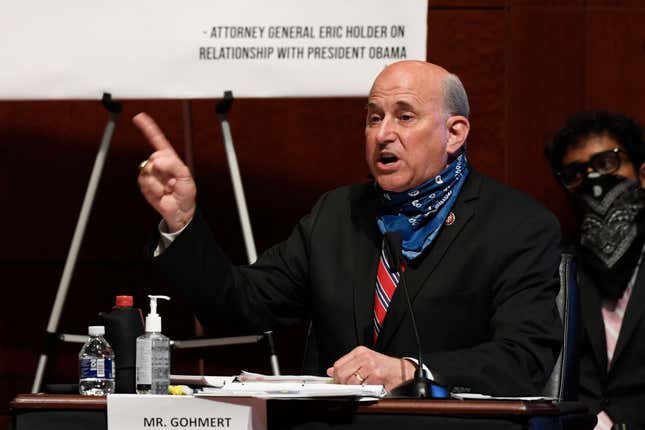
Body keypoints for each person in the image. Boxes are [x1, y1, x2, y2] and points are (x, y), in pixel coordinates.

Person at [135, 60, 562, 395]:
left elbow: (523, 358)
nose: (383, 134)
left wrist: (409, 371)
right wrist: (181, 222)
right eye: (374, 118)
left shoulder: (516, 226)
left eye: (405, 116)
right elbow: (238, 306)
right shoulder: (338, 214)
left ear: (454, 133)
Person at [546, 111, 645, 429]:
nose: (593, 181)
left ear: (642, 175)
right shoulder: (556, 271)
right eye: (576, 172)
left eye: (606, 164)